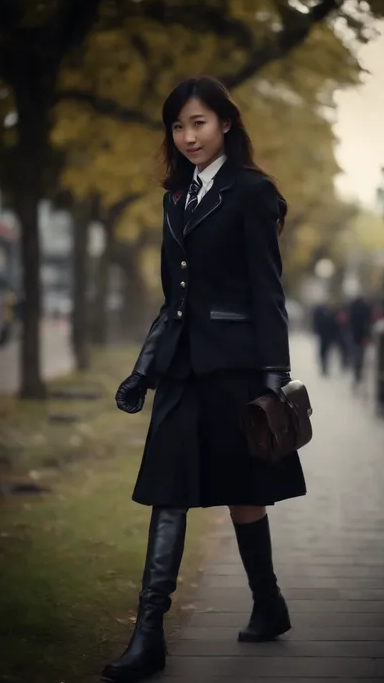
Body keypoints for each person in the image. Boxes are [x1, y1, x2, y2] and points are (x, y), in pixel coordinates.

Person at [102, 76, 306, 683]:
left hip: (238, 370)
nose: (189, 136)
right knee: (168, 492)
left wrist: (275, 377)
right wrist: (143, 371)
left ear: (225, 125)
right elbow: (175, 300)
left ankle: (267, 604)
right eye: (178, 126)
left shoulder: (252, 193)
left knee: (244, 493)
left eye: (199, 123)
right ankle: (148, 637)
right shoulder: (175, 198)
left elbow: (269, 291)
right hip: (183, 370)